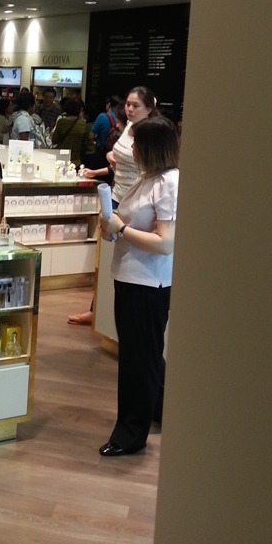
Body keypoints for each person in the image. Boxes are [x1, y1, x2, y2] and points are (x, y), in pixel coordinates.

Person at [98, 116, 179, 457]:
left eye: (137, 144)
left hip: (149, 283)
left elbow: (165, 243)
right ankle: (155, 410)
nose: (131, 150)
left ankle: (131, 433)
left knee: (139, 361)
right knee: (141, 357)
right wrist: (112, 228)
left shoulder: (169, 183)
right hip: (130, 277)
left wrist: (122, 229)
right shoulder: (147, 178)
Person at [68, 86, 159, 325]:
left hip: (136, 200)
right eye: (128, 104)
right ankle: (98, 311)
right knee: (104, 257)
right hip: (116, 196)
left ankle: (105, 315)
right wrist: (105, 164)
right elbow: (120, 162)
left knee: (125, 257)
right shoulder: (128, 127)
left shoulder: (150, 134)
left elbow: (150, 167)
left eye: (136, 105)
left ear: (149, 108)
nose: (129, 109)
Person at [87, 95, 121, 169]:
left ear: (108, 104)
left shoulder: (102, 116)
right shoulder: (121, 118)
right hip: (116, 152)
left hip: (101, 151)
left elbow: (91, 136)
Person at [51, 97, 87, 166]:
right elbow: (84, 142)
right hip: (76, 160)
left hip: (62, 159)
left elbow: (54, 139)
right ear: (79, 110)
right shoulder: (83, 124)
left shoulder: (61, 122)